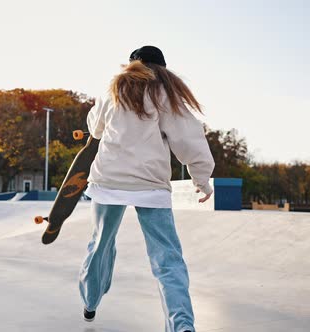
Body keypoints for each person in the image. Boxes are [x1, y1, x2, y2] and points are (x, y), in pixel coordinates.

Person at [79, 45, 215, 332]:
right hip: (150, 185)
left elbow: (95, 129)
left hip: (109, 182)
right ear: (162, 69)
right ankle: (182, 327)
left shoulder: (112, 90)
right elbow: (189, 137)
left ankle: (90, 302)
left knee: (100, 245)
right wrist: (201, 178)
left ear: (131, 66)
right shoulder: (166, 93)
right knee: (168, 260)